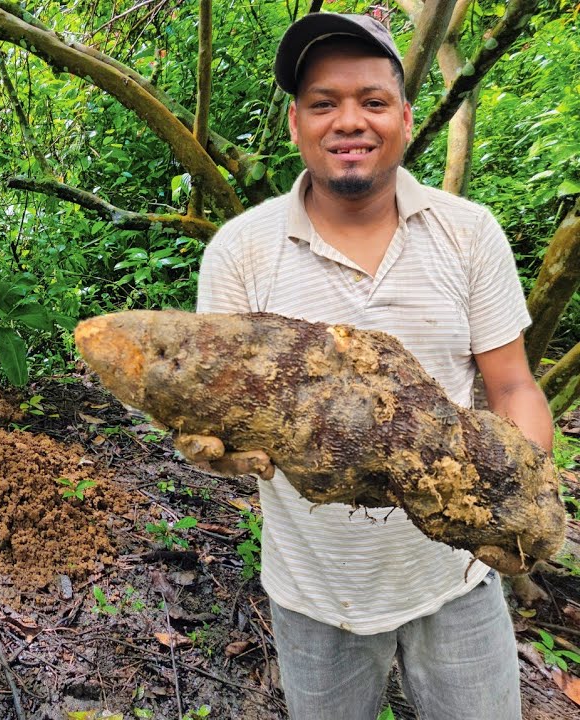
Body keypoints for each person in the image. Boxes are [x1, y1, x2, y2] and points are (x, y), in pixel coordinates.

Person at [189, 13, 554, 720]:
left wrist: (525, 493)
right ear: (296, 124)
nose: (348, 121)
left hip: (458, 573)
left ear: (407, 119)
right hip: (315, 591)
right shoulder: (240, 252)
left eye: (373, 102)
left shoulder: (468, 233)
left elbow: (512, 386)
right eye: (324, 103)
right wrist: (217, 454)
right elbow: (220, 417)